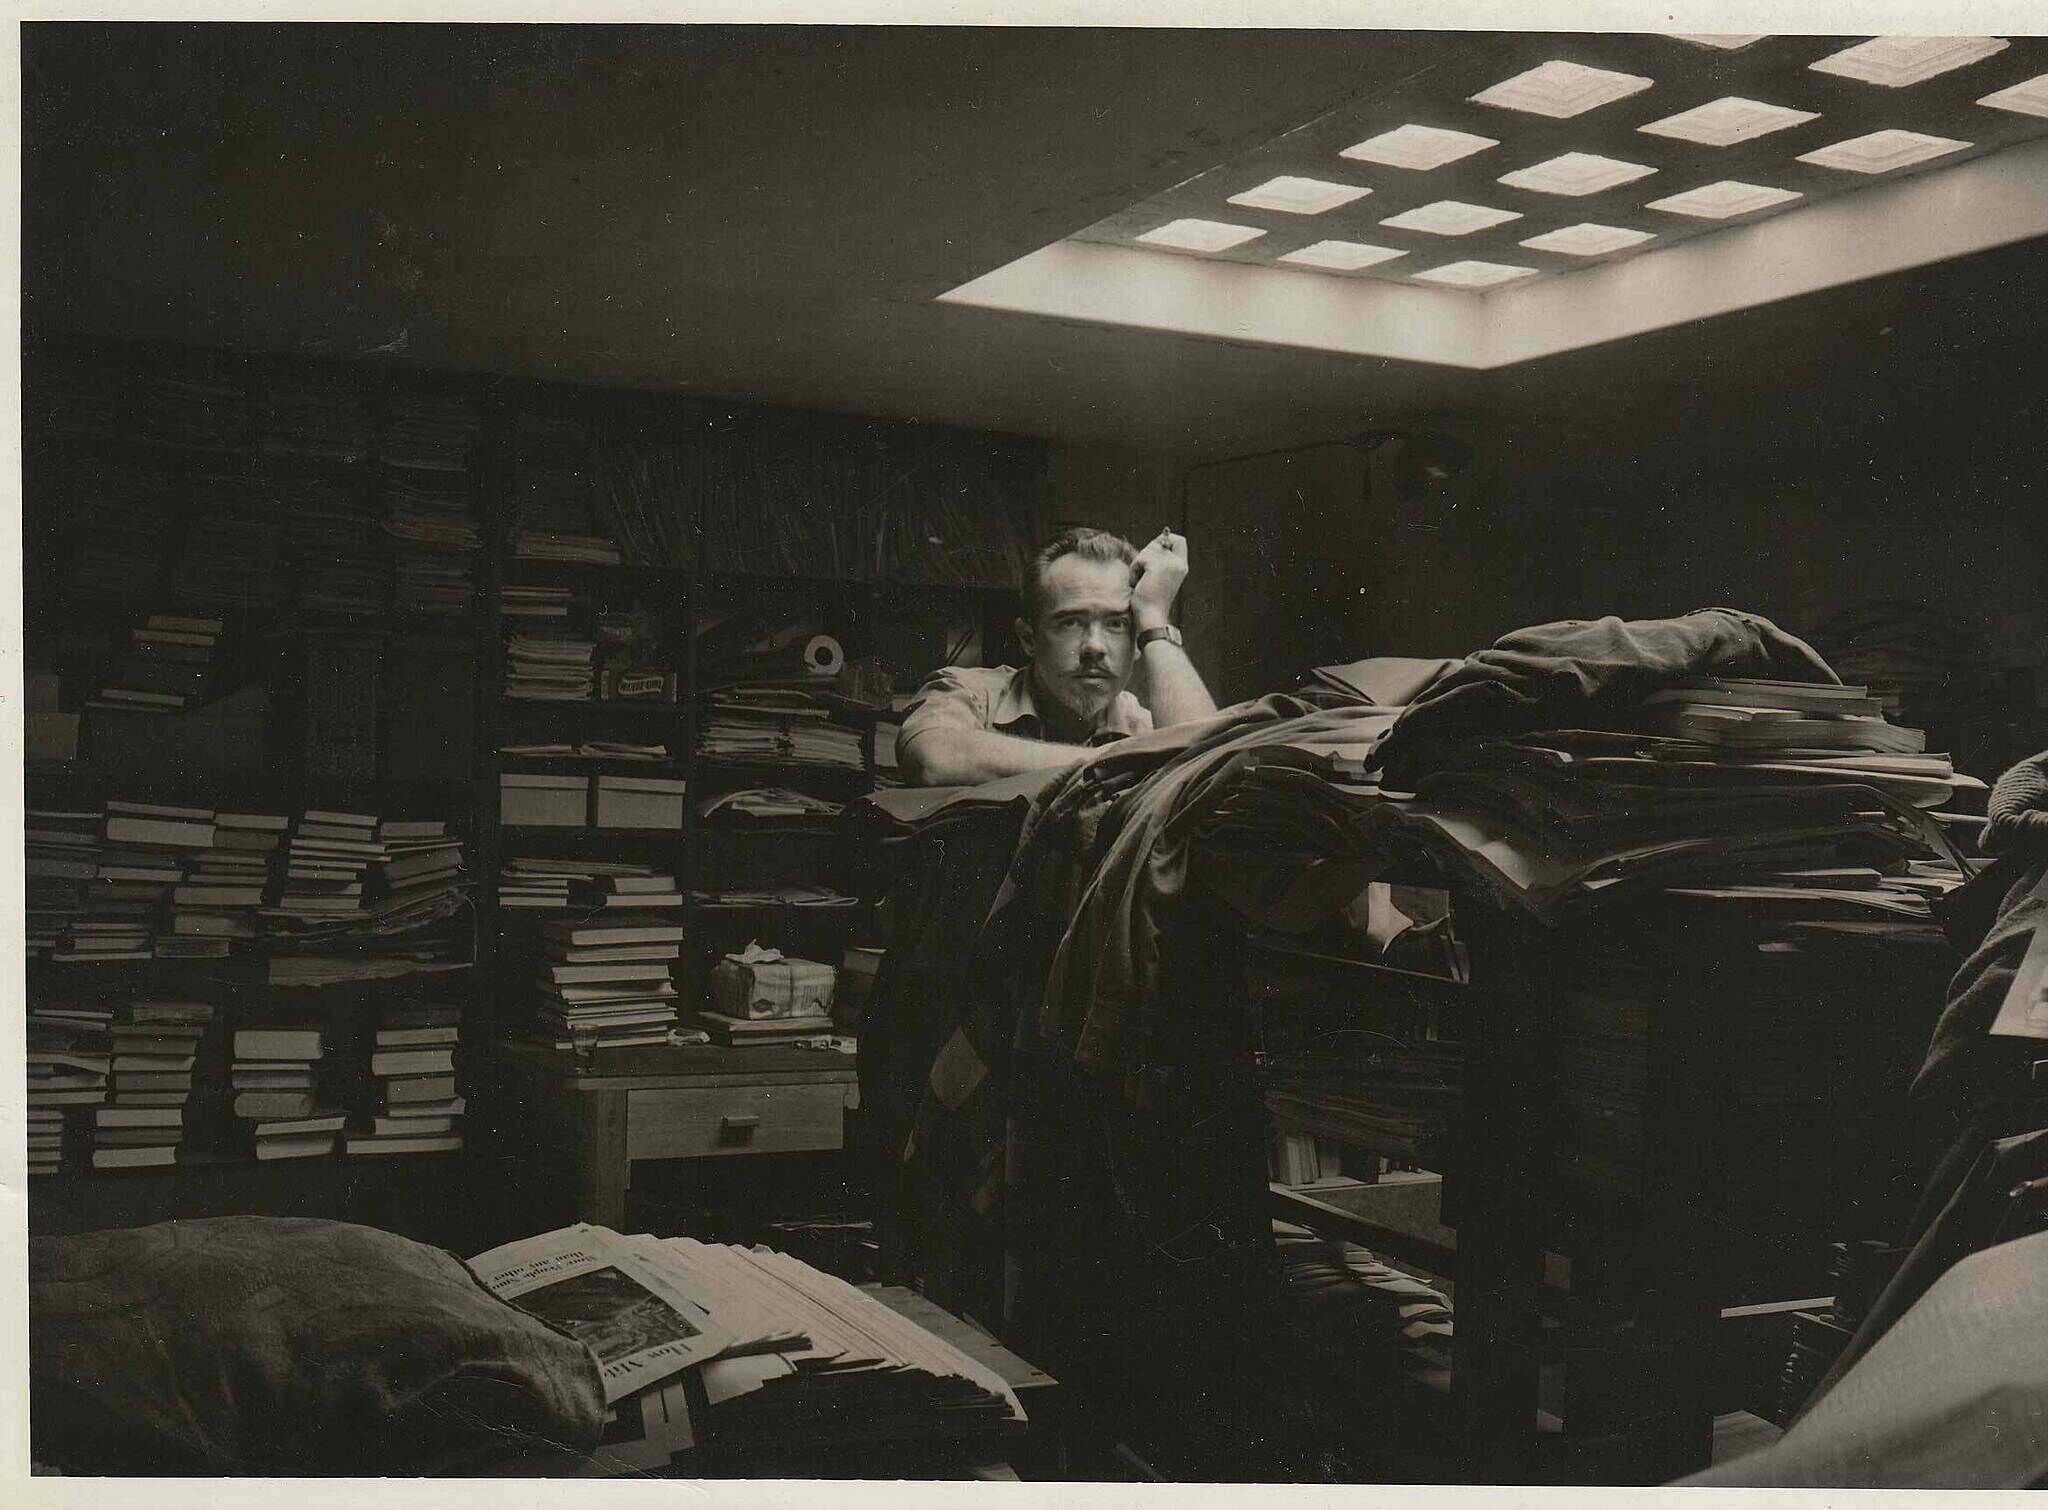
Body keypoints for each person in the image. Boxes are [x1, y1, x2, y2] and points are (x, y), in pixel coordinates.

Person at [896, 526, 1218, 787]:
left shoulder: (1142, 727)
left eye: (1116, 624)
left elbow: (1207, 772)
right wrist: (1126, 761)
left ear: (1136, 643)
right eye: (1070, 622)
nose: (1094, 647)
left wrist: (1153, 618)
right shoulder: (967, 693)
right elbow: (933, 759)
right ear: (1028, 639)